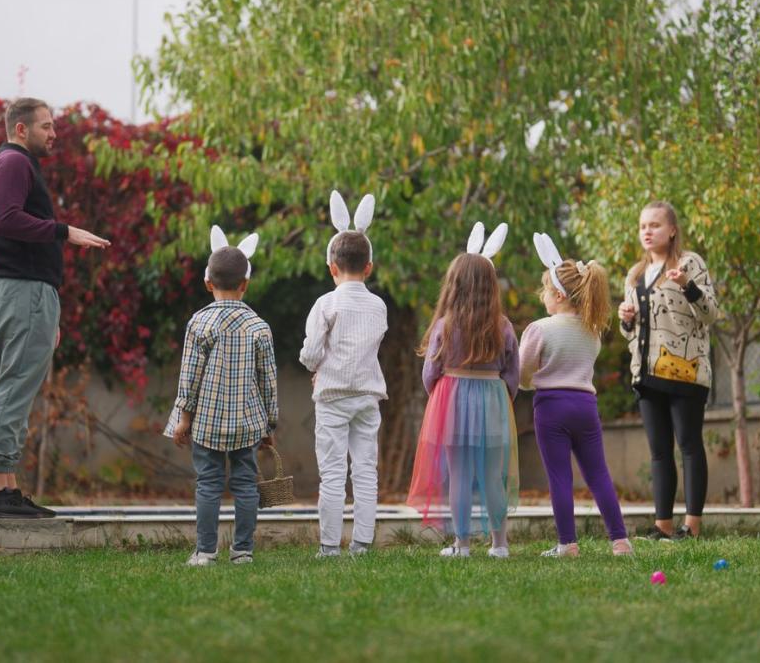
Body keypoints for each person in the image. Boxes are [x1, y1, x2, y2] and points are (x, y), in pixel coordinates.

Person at [0, 97, 110, 519]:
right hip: (22, 291)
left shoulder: (17, 165)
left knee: (18, 383)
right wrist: (64, 231)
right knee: (15, 384)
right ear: (21, 129)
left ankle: (7, 487)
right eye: (47, 127)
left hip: (28, 292)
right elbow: (6, 219)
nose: (54, 134)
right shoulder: (14, 164)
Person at [165, 226, 278, 566]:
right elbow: (268, 380)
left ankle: (205, 551)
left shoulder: (199, 323)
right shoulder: (259, 326)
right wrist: (270, 424)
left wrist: (183, 418)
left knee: (208, 483)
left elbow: (190, 376)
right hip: (247, 424)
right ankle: (242, 551)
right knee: (246, 484)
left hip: (207, 423)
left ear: (207, 283)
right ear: (245, 284)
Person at [407, 223, 519, 558]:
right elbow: (512, 373)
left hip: (452, 402)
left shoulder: (444, 326)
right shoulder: (504, 326)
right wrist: (502, 400)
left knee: (459, 476)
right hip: (492, 401)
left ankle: (463, 544)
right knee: (492, 475)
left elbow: (431, 372)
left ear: (454, 286)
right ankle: (500, 545)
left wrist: (440, 397)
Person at [520, 233, 631, 557]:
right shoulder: (592, 331)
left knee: (559, 477)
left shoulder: (539, 328)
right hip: (585, 405)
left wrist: (528, 384)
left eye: (544, 290)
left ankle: (567, 543)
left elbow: (523, 371)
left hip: (551, 407)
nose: (542, 297)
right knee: (598, 474)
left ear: (557, 293)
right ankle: (620, 540)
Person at [617, 201, 719, 540]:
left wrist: (688, 285)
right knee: (659, 451)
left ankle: (691, 526)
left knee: (689, 445)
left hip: (686, 372)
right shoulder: (635, 275)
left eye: (655, 225)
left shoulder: (690, 263)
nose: (647, 231)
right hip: (647, 374)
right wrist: (625, 321)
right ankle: (662, 526)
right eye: (643, 225)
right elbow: (631, 333)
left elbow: (710, 314)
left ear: (672, 230)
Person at [299, 192, 388, 558]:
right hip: (367, 396)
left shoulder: (326, 303)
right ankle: (363, 543)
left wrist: (315, 368)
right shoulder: (379, 304)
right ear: (369, 267)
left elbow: (311, 351)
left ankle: (329, 545)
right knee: (366, 470)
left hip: (333, 396)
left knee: (332, 473)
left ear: (331, 267)